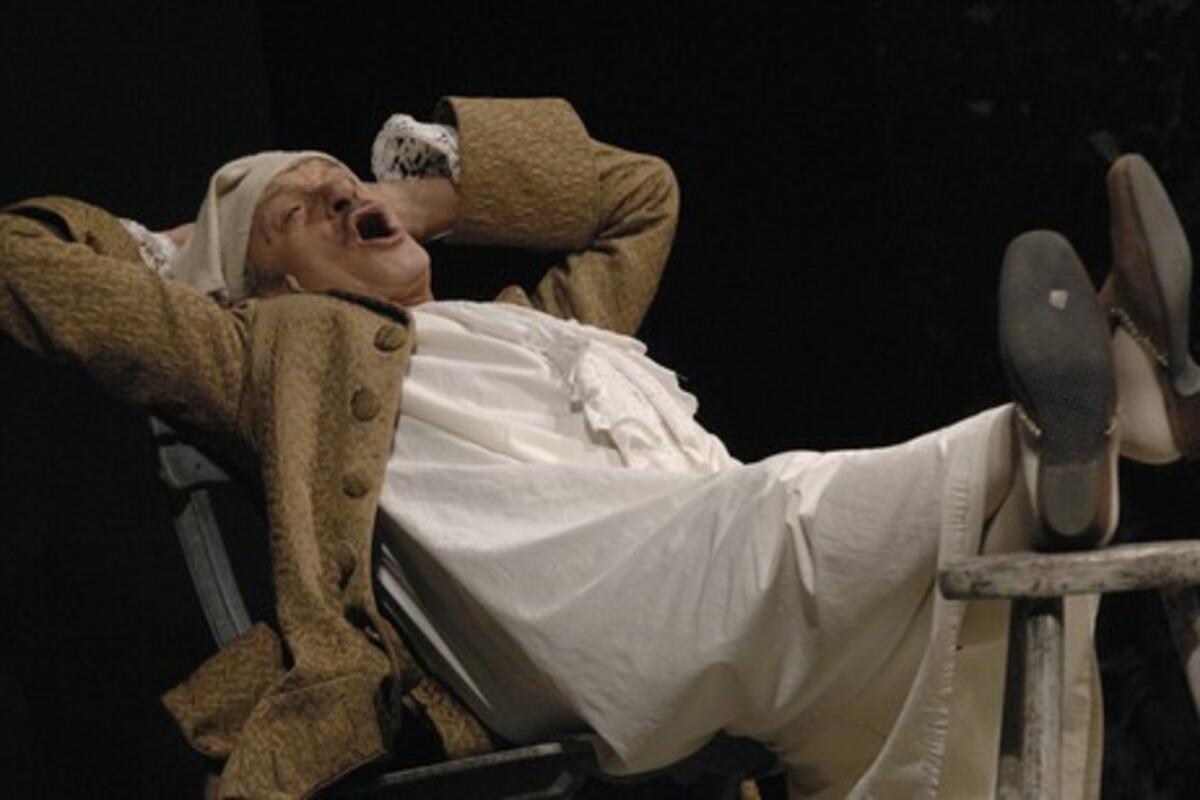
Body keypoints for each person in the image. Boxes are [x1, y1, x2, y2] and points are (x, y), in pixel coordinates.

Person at [0, 96, 1192, 799]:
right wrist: (179, 251)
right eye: (295, 212)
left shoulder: (538, 324)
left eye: (344, 183)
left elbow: (642, 194)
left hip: (704, 578)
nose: (341, 200)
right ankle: (1091, 414)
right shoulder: (263, 351)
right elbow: (21, 259)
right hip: (572, 616)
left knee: (977, 594)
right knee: (783, 509)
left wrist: (439, 192)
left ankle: (1075, 447)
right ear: (258, 285)